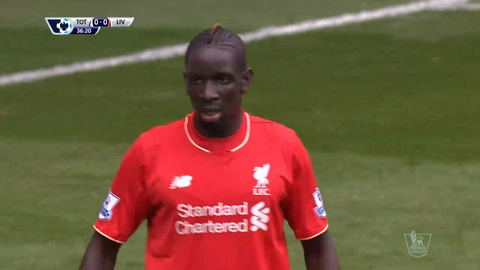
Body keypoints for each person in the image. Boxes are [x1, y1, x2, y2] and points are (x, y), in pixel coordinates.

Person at [79, 24, 341, 270]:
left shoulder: (284, 146)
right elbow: (103, 245)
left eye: (222, 80)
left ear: (245, 81)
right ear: (186, 81)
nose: (207, 93)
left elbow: (317, 244)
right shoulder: (150, 150)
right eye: (197, 80)